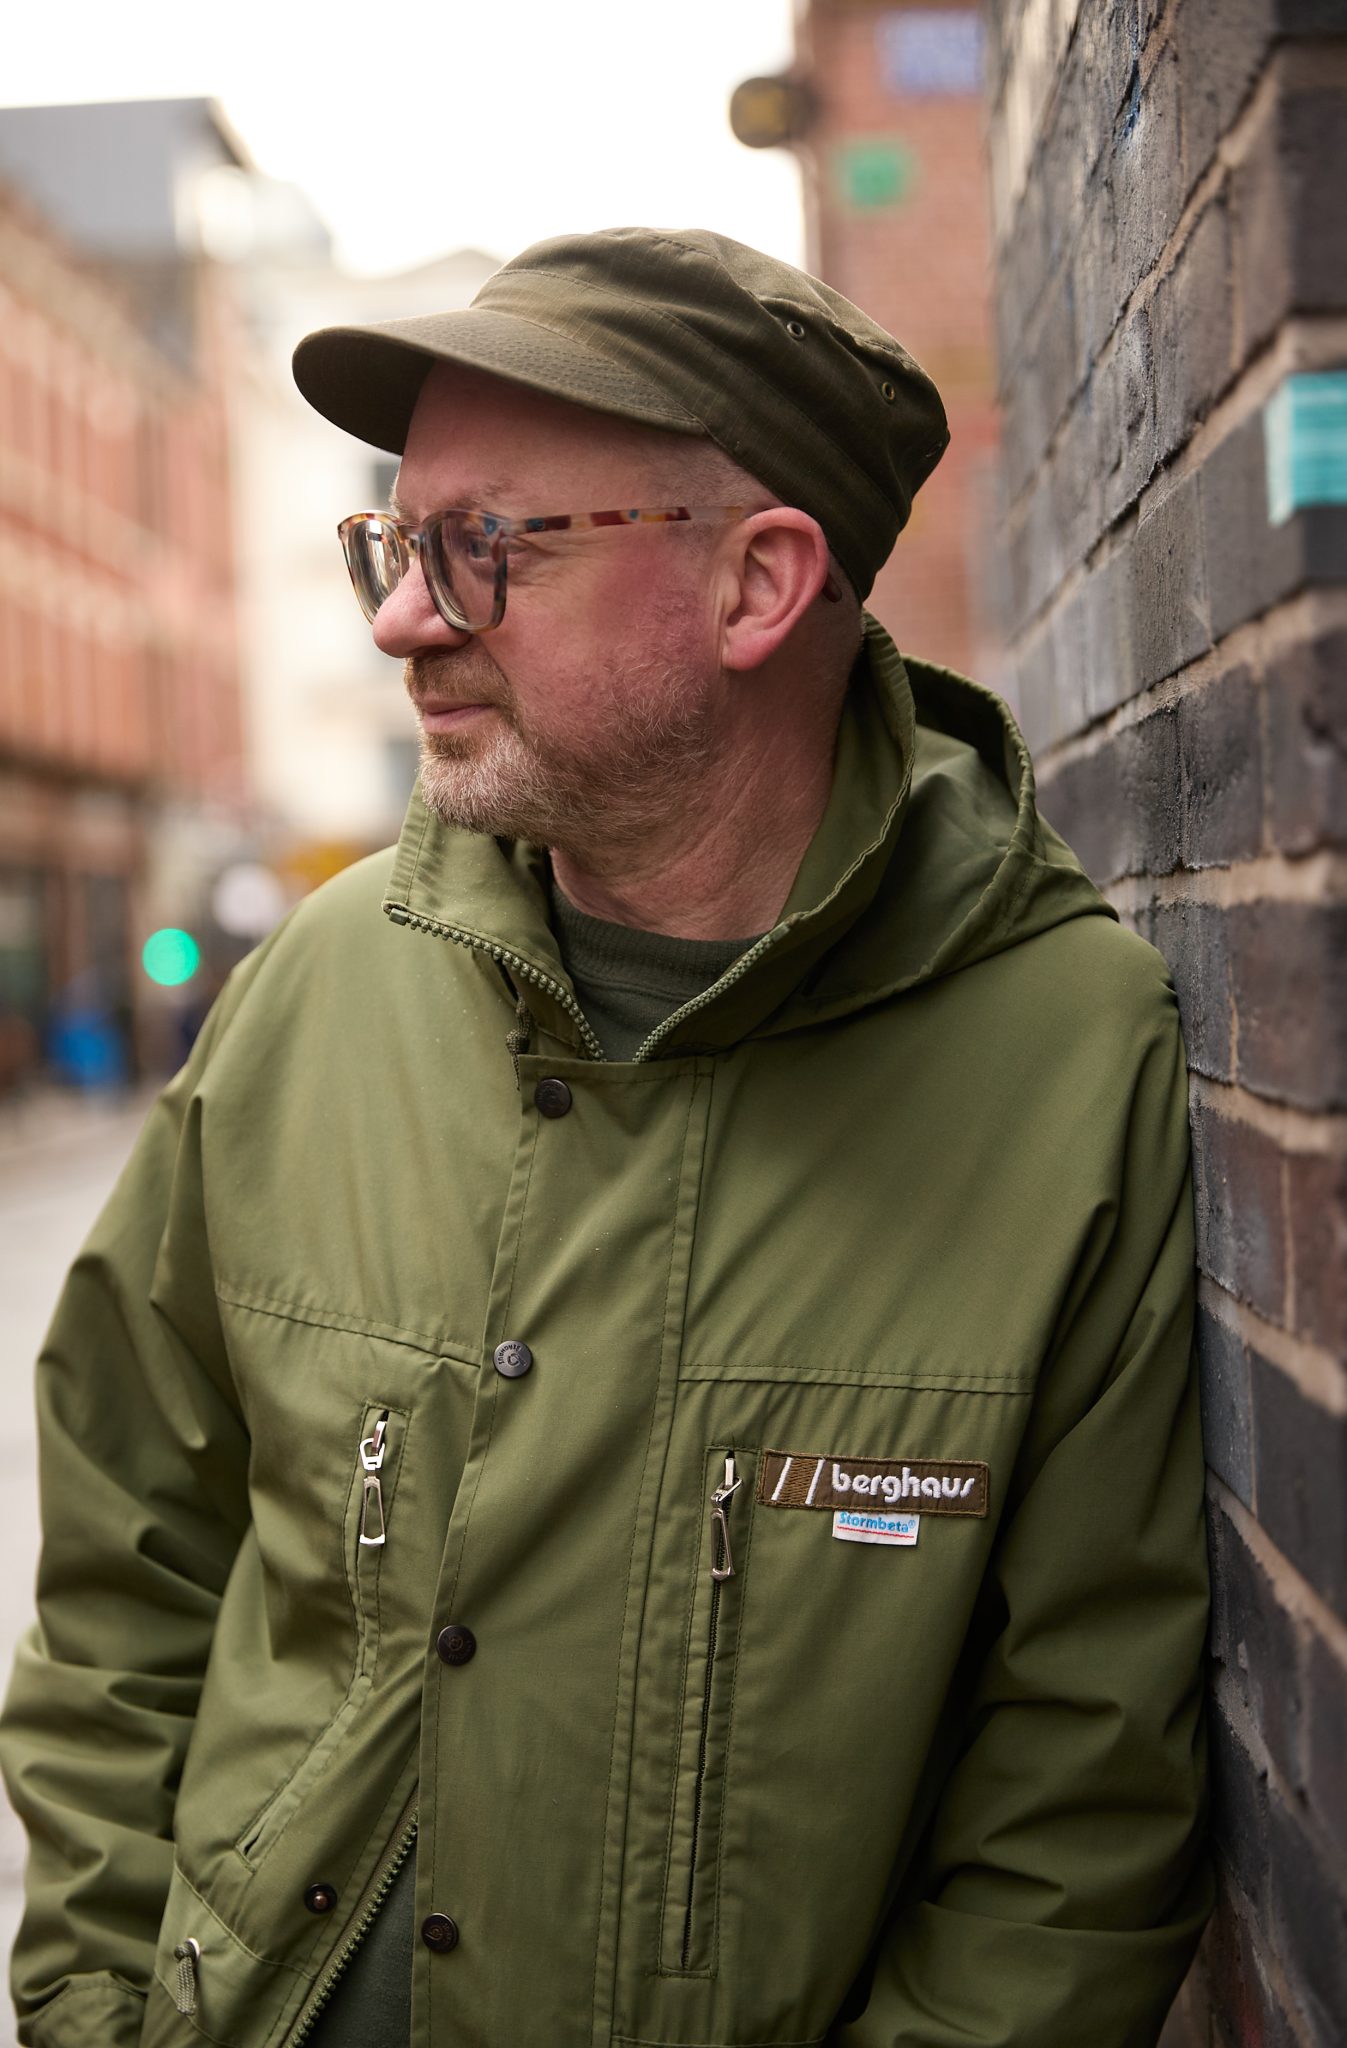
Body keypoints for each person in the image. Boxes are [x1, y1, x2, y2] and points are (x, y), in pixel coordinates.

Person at [0, 227, 1210, 2048]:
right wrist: (96, 2009)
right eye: (394, 546)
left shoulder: (1061, 1057)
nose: (404, 619)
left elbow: (1079, 1800)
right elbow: (125, 1564)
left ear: (756, 584)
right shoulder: (321, 987)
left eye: (485, 547)